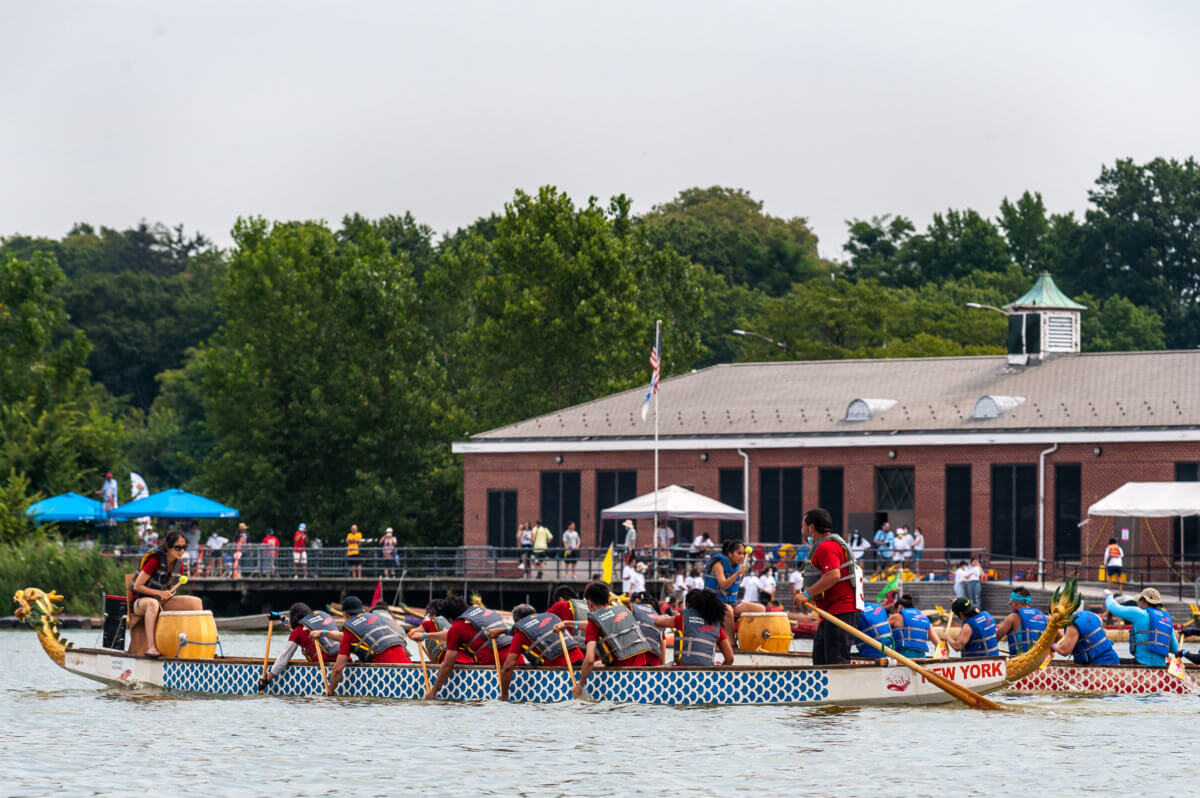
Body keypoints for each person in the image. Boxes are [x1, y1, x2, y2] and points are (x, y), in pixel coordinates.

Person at [555, 582, 656, 698]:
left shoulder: (594, 623)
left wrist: (580, 685)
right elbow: (597, 624)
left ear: (589, 603)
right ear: (607, 600)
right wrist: (568, 623)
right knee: (599, 663)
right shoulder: (621, 610)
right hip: (643, 673)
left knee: (593, 665)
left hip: (622, 678)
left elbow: (589, 660)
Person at [797, 508, 861, 666]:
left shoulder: (826, 547)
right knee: (820, 661)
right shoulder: (828, 545)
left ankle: (842, 690)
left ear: (811, 528)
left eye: (803, 526)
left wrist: (807, 594)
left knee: (836, 662)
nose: (802, 530)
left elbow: (833, 575)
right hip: (831, 613)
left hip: (841, 613)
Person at [128, 531, 203, 657]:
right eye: (178, 548)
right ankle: (151, 648)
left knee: (196, 603)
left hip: (161, 602)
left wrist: (166, 594)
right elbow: (137, 586)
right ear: (167, 547)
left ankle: (194, 646)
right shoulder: (154, 561)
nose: (181, 551)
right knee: (152, 603)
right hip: (140, 603)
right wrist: (159, 593)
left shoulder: (180, 565)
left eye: (184, 547)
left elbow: (168, 589)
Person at [426, 596, 513, 699]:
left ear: (450, 618)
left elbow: (448, 665)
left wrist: (433, 692)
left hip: (496, 668)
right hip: (515, 658)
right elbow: (452, 635)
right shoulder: (481, 612)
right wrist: (425, 635)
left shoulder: (457, 627)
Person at [492, 604, 582, 700]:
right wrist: (503, 631)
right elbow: (534, 630)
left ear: (518, 620)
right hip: (581, 661)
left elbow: (509, 666)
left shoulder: (520, 633)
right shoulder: (551, 617)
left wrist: (504, 696)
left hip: (559, 672)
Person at [327, 596, 411, 694]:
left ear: (345, 614)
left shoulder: (349, 631)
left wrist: (330, 692)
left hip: (391, 673)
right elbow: (344, 639)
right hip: (408, 666)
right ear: (362, 611)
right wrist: (324, 633)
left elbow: (338, 669)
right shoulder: (375, 619)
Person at [260, 602, 343, 689]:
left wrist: (267, 679)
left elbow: (283, 660)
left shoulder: (297, 632)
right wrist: (281, 617)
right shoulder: (319, 622)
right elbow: (298, 628)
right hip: (344, 660)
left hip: (324, 668)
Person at [703, 539, 765, 641]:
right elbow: (723, 585)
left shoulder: (737, 566)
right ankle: (731, 643)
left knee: (761, 609)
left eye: (743, 554)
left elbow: (736, 585)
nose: (742, 556)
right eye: (739, 553)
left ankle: (751, 641)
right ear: (730, 554)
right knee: (728, 610)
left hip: (730, 601)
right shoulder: (718, 565)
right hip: (712, 601)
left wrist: (741, 575)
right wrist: (737, 574)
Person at [653, 588, 734, 667]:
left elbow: (657, 622)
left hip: (682, 673)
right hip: (707, 674)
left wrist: (665, 616)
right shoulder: (716, 626)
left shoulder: (682, 619)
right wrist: (716, 674)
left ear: (688, 604)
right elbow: (730, 659)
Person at [1105, 587, 1178, 666]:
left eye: (1138, 601)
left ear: (1143, 600)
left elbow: (1112, 607)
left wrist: (1109, 595)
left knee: (1110, 659)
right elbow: (1174, 649)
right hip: (1161, 666)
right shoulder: (1167, 619)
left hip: (1141, 664)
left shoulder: (1140, 613)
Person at [1051, 608, 1120, 665]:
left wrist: (1051, 645)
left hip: (1097, 665)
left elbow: (1064, 651)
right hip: (1113, 659)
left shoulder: (1072, 624)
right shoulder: (1091, 614)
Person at [994, 587, 1048, 655]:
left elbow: (994, 640)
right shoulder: (1045, 617)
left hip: (1019, 661)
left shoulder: (1012, 618)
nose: (1010, 606)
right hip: (1040, 661)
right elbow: (1058, 636)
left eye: (1010, 604)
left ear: (1014, 603)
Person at [629, 595, 666, 665]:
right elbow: (663, 644)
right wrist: (663, 665)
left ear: (637, 601)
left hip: (635, 660)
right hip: (653, 662)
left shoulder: (632, 608)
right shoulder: (659, 617)